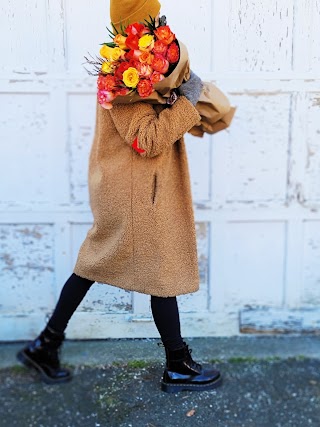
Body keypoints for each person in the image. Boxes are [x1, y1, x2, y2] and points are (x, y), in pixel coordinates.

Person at [16, 0, 223, 393]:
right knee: (157, 272)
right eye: (154, 21)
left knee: (94, 265)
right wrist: (186, 101)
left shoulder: (140, 67)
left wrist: (179, 94)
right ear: (138, 26)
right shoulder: (120, 78)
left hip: (136, 187)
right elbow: (146, 140)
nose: (161, 26)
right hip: (135, 190)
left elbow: (156, 120)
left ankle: (45, 344)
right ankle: (177, 364)